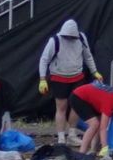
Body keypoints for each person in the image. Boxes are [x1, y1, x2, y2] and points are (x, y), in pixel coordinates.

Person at [39, 18, 101, 146]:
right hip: (59, 77)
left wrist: (94, 72)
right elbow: (44, 59)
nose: (70, 39)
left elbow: (88, 56)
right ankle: (61, 138)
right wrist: (42, 79)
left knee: (76, 107)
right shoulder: (55, 41)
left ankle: (72, 135)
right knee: (61, 107)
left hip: (77, 76)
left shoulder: (81, 39)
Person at [70, 80, 113, 158]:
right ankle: (82, 152)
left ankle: (93, 150)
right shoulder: (109, 102)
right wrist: (105, 148)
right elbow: (103, 128)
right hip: (78, 97)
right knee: (94, 124)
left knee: (98, 122)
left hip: (90, 99)